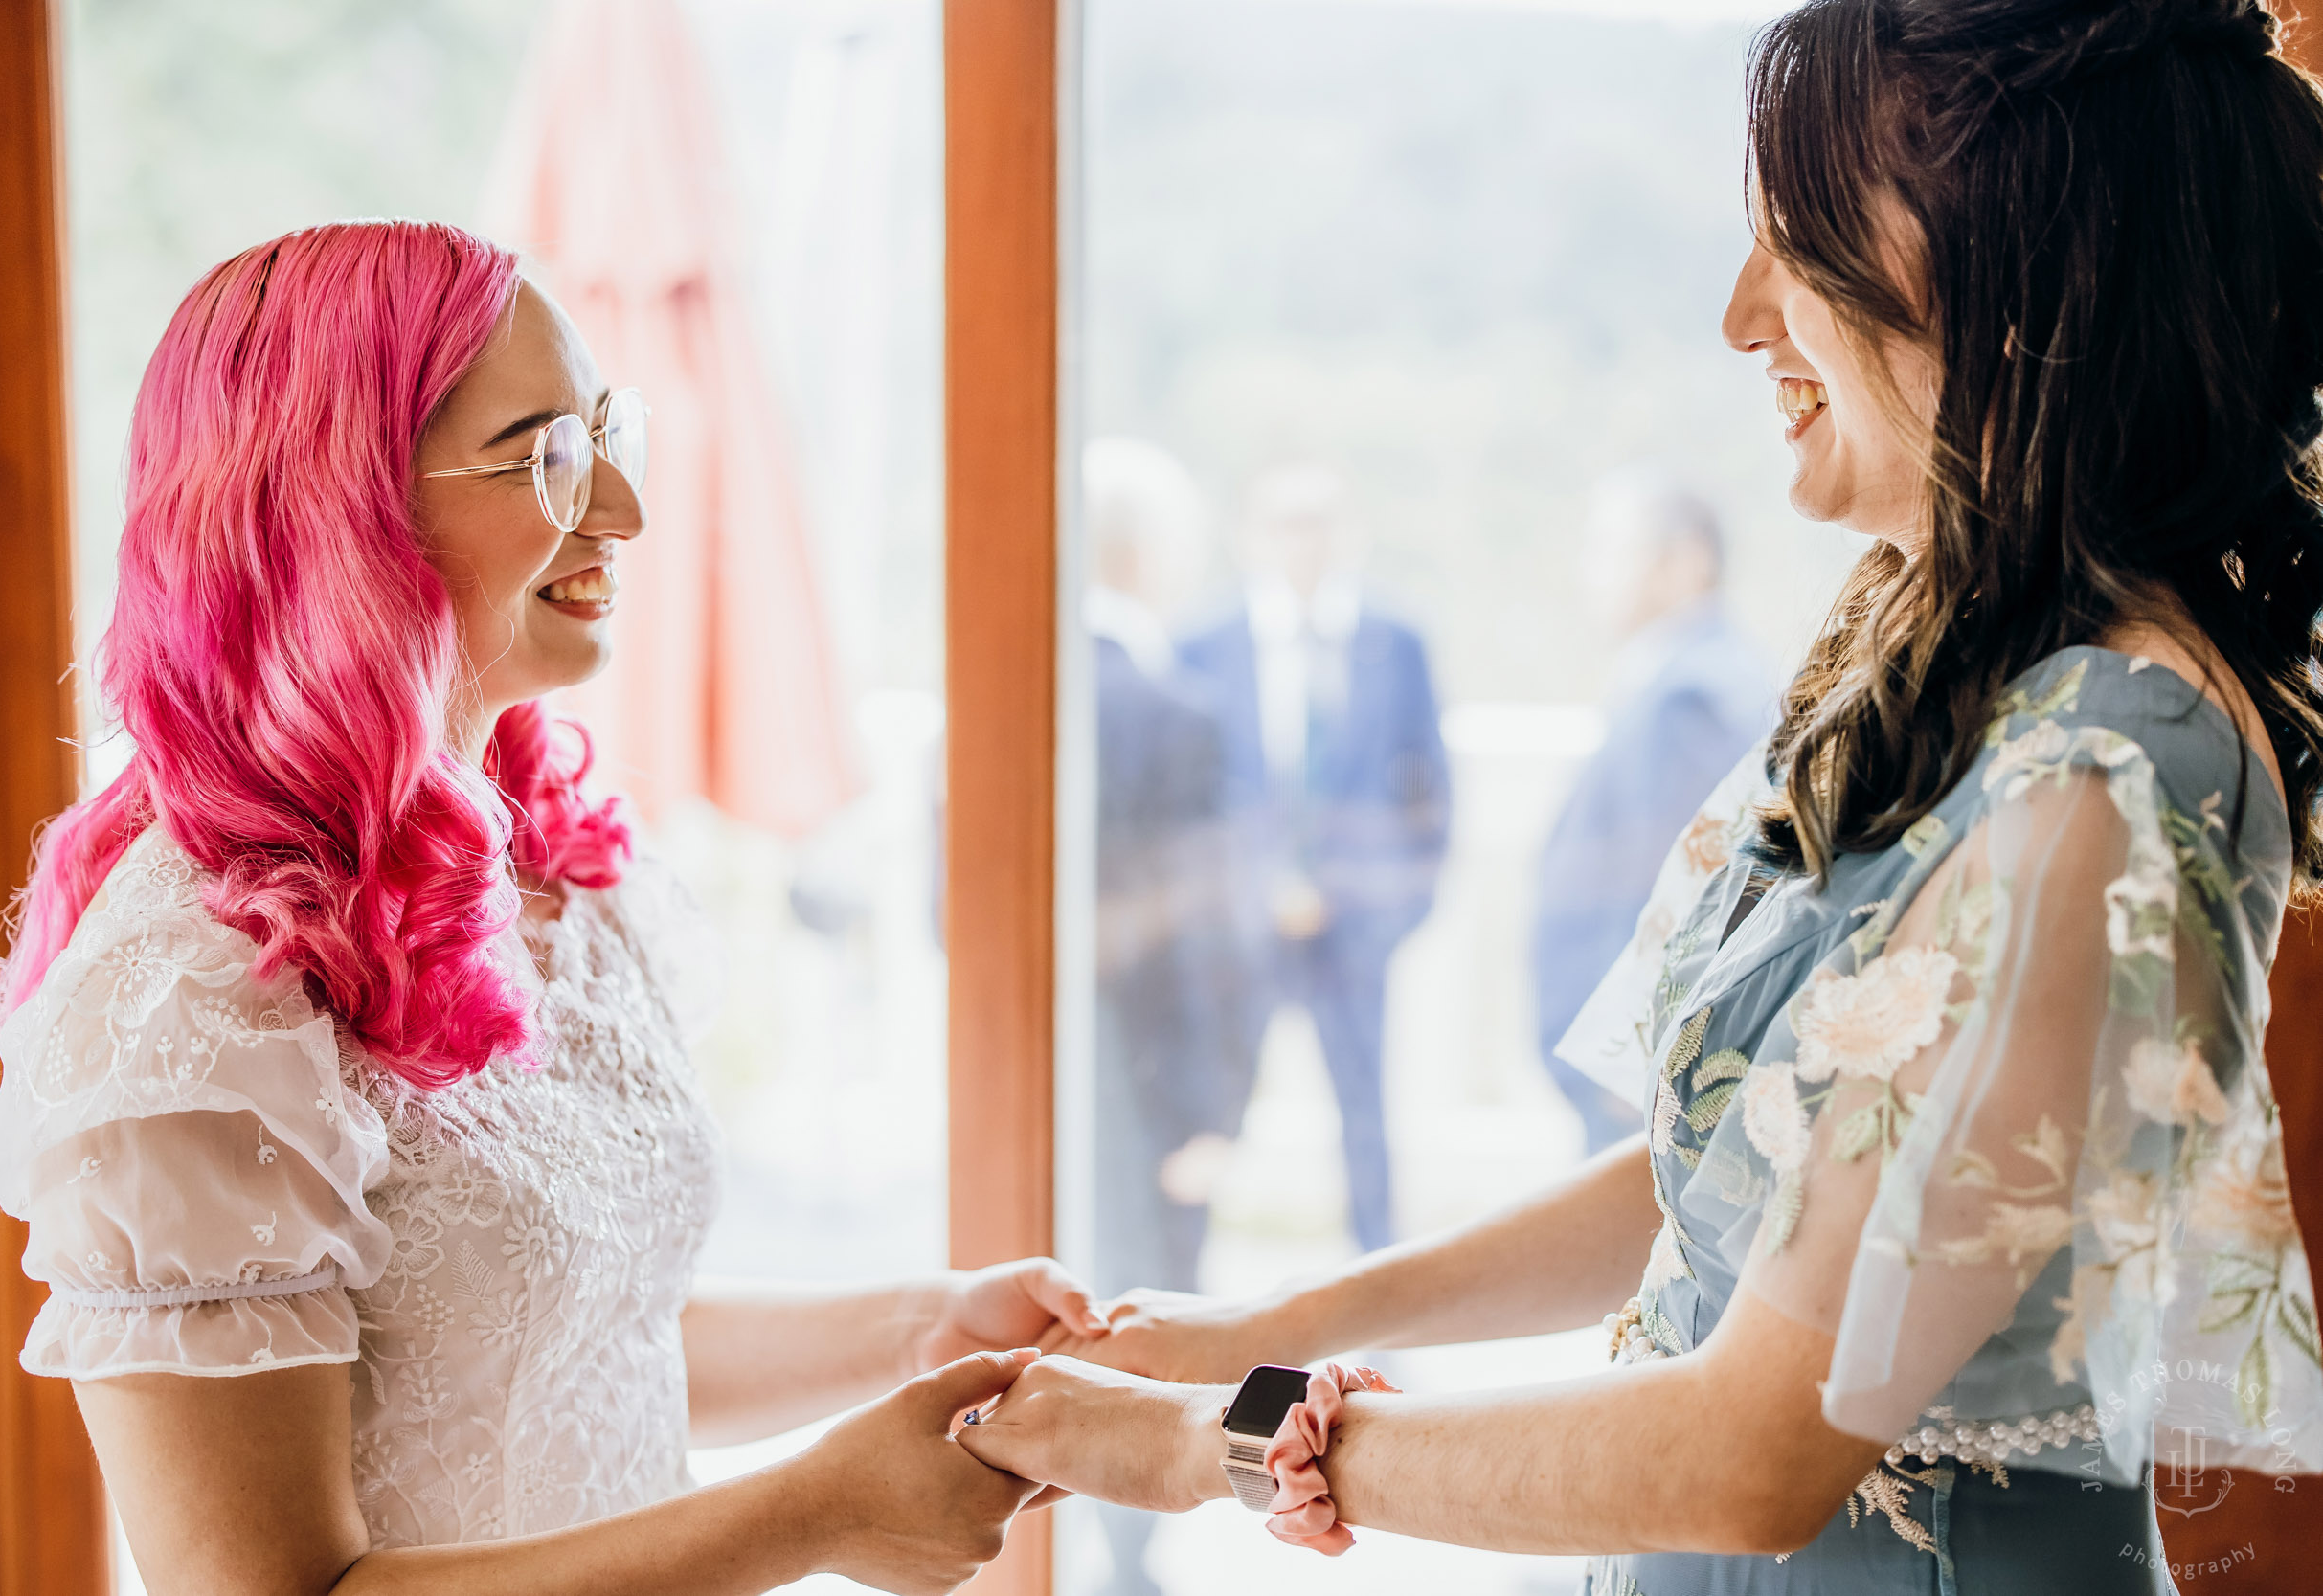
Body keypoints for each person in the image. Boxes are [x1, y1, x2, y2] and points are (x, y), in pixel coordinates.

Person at [956, 4, 2323, 1590]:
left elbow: (1749, 1455)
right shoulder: (1982, 672)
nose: (1742, 315)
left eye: (1795, 242)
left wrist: (1198, 1445)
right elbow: (1744, 1183)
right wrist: (1284, 1324)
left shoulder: (2104, 767)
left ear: (2019, 263)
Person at [0, 221, 1104, 1594]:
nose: (623, 507)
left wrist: (922, 1322)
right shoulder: (192, 993)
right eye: (550, 455)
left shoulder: (550, 858)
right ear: (344, 511)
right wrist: (806, 1513)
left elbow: (571, 1339)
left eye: (605, 430)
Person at [1177, 465, 1451, 1255]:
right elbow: (1190, 799)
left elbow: (1431, 789)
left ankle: (1379, 1294)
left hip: (1354, 929)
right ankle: (1173, 1284)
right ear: (1251, 536)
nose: (1302, 541)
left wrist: (1395, 910)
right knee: (1211, 1109)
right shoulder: (1202, 642)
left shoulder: (1396, 641)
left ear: (1345, 534)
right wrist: (1239, 896)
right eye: (1284, 522)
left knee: (1366, 1121)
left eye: (1318, 522)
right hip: (1238, 930)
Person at [1081, 438, 1249, 1595]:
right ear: (1143, 555)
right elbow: (1204, 939)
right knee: (1144, 1288)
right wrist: (1213, 1101)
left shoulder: (990, 693)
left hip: (1046, 1047)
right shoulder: (1174, 708)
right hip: (1145, 1058)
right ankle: (1128, 1552)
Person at [1533, 470, 1777, 1150]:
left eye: (1612, 549)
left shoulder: (1694, 696)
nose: (1593, 573)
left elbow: (1679, 883)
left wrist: (1635, 1047)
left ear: (1687, 559)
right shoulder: (1676, 673)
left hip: (1634, 1061)